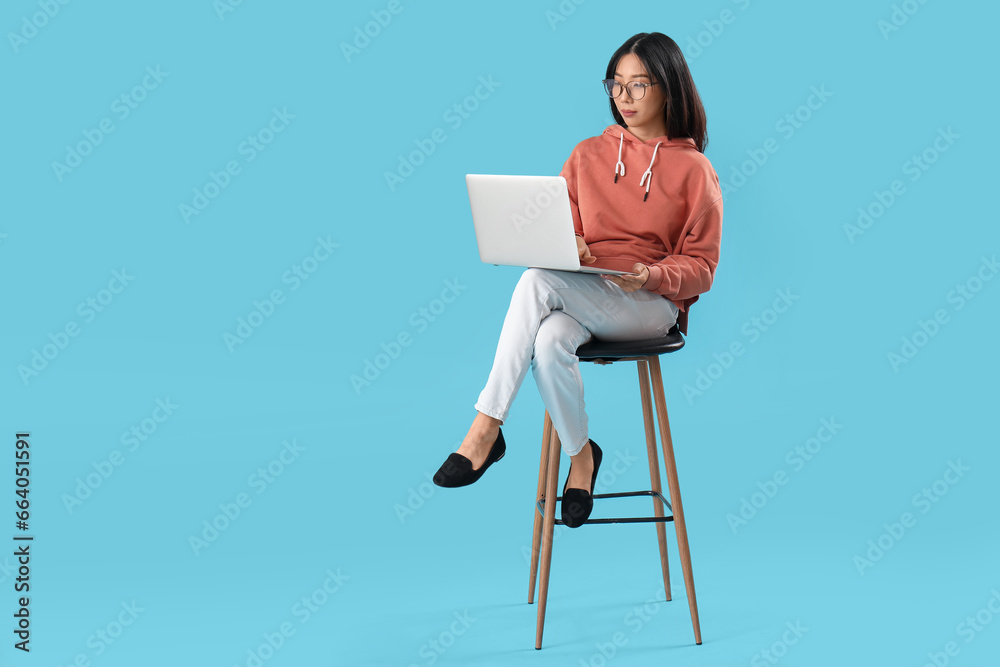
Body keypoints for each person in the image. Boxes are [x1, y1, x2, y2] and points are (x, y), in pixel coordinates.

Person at [432, 32, 723, 528]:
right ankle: (582, 458)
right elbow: (561, 226)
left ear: (669, 89)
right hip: (586, 291)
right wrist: (573, 246)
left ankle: (486, 427)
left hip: (650, 304)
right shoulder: (587, 154)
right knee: (546, 341)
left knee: (534, 283)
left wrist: (652, 273)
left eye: (638, 85)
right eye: (616, 84)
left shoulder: (695, 170)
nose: (623, 97)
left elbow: (702, 267)